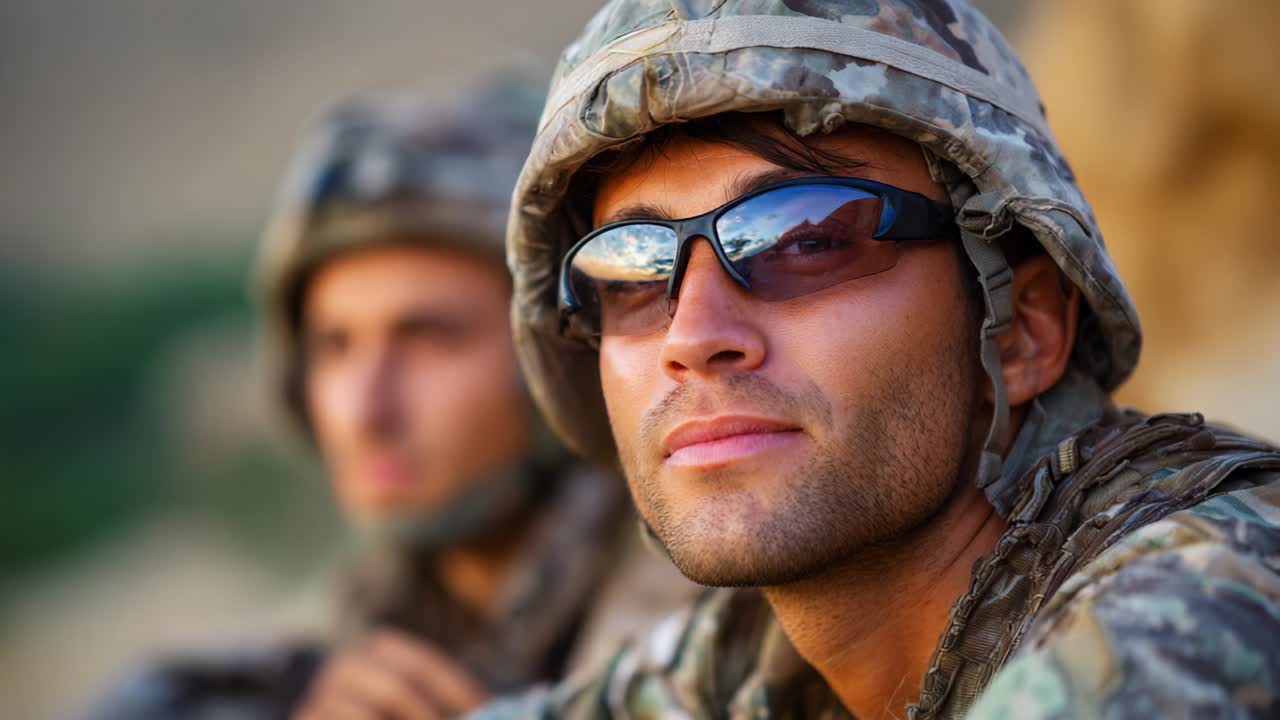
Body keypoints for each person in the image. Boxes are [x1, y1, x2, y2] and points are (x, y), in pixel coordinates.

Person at [467, 2, 1280, 718]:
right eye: (635, 269)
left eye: (807, 239)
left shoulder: (1206, 593)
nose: (692, 335)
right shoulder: (750, 661)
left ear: (1021, 330)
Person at [88, 78, 698, 720]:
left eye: (430, 338)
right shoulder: (336, 651)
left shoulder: (710, 621)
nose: (366, 410)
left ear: (559, 350)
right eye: (334, 345)